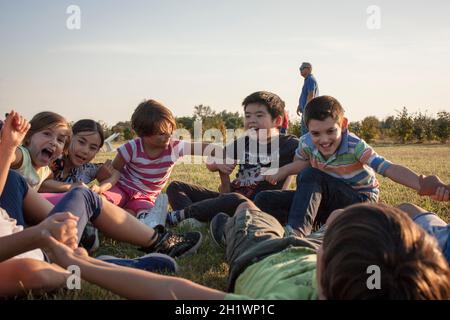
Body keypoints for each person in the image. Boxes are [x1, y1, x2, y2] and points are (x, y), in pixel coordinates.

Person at [41, 200, 450, 300]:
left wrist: (80, 263)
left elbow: (178, 293)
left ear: (324, 279)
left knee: (247, 209)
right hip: (307, 245)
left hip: (264, 250)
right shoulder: (406, 280)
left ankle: (227, 225)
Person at [0, 112, 202, 297]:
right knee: (83, 195)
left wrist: (8, 145)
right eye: (81, 142)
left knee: (15, 180)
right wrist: (79, 268)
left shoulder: (43, 167)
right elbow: (31, 273)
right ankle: (155, 241)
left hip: (23, 233)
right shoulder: (38, 161)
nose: (54, 143)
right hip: (45, 252)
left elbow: (112, 173)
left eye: (61, 139)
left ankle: (105, 239)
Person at [258, 95, 448, 236]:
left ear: (344, 124)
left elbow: (387, 168)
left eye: (331, 131)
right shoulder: (306, 142)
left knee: (311, 174)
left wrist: (422, 185)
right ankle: (318, 223)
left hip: (359, 199)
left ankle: (297, 234)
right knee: (264, 199)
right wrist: (281, 171)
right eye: (316, 133)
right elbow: (301, 163)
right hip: (325, 200)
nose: (324, 140)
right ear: (308, 129)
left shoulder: (354, 145)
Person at [166, 91, 299, 226]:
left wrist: (284, 170)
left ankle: (184, 215)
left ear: (277, 120)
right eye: (247, 116)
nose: (252, 120)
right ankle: (197, 220)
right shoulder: (244, 141)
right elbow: (211, 160)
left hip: (257, 206)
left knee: (234, 199)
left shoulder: (288, 143)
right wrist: (218, 164)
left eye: (259, 115)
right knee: (175, 187)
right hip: (230, 198)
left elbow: (307, 161)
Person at [101, 99, 221, 228]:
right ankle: (96, 220)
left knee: (139, 215)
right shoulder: (131, 148)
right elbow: (113, 172)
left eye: (170, 130)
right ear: (144, 134)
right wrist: (103, 183)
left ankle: (117, 223)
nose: (168, 135)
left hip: (146, 197)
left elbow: (202, 148)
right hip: (122, 188)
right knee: (104, 202)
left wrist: (221, 152)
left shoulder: (174, 147)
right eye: (161, 133)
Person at [9, 111, 71, 191]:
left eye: (60, 140)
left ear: (62, 151)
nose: (54, 142)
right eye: (47, 134)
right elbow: (9, 154)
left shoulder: (45, 171)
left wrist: (70, 186)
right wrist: (9, 143)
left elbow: (48, 181)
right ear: (28, 136)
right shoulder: (22, 156)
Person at [297, 62, 319, 137]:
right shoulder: (307, 80)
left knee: (306, 135)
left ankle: (306, 148)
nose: (300, 71)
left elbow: (311, 96)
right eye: (300, 69)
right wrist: (300, 105)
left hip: (308, 111)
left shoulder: (310, 79)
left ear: (309, 69)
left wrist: (306, 110)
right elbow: (305, 95)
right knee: (305, 133)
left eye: (302, 68)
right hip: (306, 110)